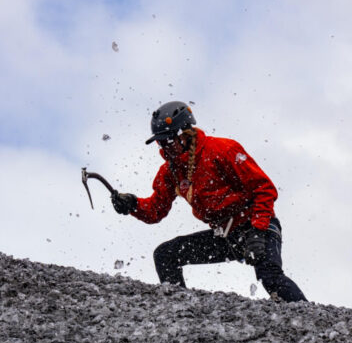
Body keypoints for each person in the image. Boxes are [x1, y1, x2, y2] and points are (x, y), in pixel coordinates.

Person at [110, 101, 306, 302]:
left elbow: (264, 188)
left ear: (185, 134)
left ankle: (310, 320)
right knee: (165, 255)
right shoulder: (170, 172)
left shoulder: (223, 150)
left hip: (257, 225)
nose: (164, 148)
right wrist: (132, 205)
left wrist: (257, 231)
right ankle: (180, 311)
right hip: (226, 236)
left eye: (168, 141)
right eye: (160, 143)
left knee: (271, 278)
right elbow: (155, 210)